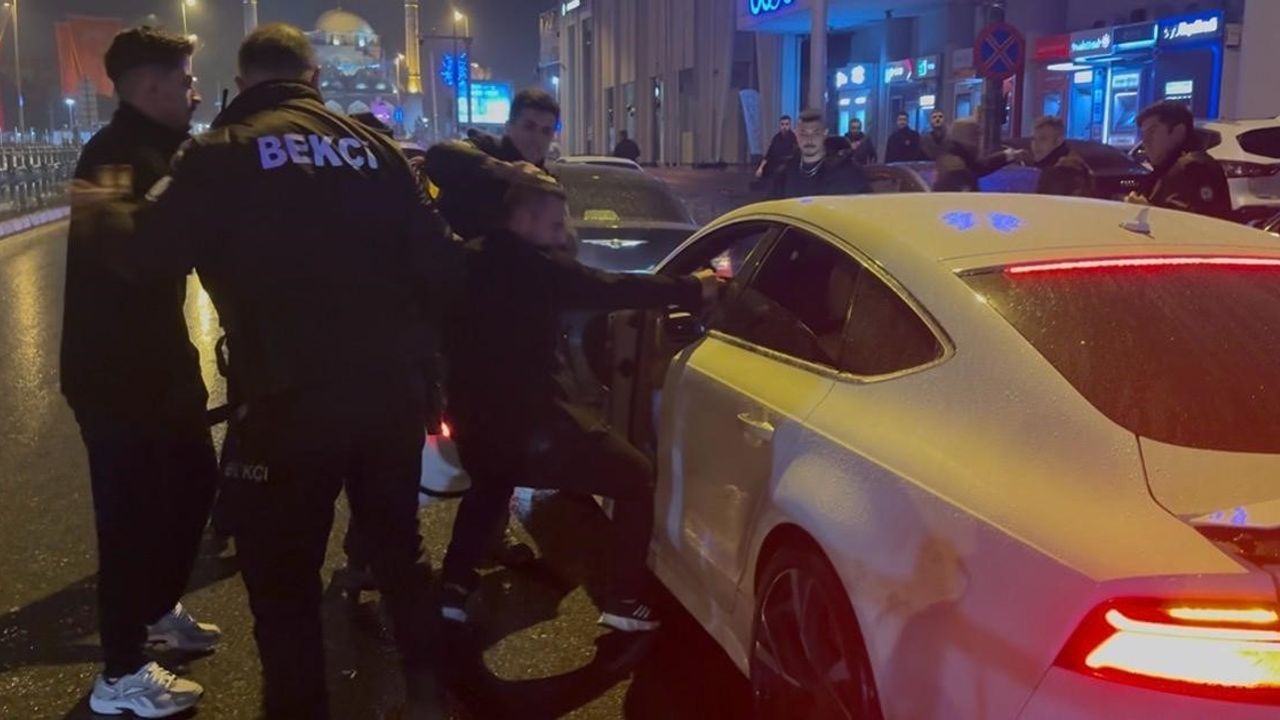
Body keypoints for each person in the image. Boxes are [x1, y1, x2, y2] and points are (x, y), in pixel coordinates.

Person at [89, 24, 456, 718]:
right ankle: (429, 698)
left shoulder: (218, 151)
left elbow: (141, 255)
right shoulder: (376, 147)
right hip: (389, 397)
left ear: (242, 83)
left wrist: (106, 192)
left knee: (284, 586)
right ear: (314, 78)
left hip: (286, 407)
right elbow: (442, 262)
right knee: (400, 556)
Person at [437, 171, 720, 632]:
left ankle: (452, 590)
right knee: (636, 476)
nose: (561, 234)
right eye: (554, 225)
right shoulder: (538, 269)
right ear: (524, 219)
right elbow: (613, 287)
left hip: (472, 421)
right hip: (534, 427)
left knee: (489, 485)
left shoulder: (464, 259)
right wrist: (693, 287)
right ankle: (624, 600)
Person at [62, 27, 219, 718]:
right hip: (112, 370)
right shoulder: (109, 157)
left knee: (194, 485)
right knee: (128, 518)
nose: (194, 92)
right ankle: (120, 672)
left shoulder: (164, 149)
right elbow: (125, 251)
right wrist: (184, 186)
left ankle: (155, 611)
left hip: (162, 360)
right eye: (185, 80)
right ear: (149, 86)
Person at [426, 87, 560, 240]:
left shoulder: (547, 181)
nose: (537, 137)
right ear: (509, 127)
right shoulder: (486, 147)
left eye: (546, 131)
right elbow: (438, 155)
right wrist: (505, 171)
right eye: (529, 126)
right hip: (457, 251)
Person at [1126, 100, 1232, 220]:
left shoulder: (1192, 167)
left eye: (1152, 131)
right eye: (1143, 135)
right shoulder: (1168, 167)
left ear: (1178, 132)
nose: (1145, 141)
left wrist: (1147, 211)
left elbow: (1194, 224)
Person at [769, 108, 871, 200]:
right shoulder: (784, 174)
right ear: (796, 134)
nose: (809, 139)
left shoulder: (847, 171)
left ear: (825, 133)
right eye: (803, 133)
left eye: (815, 133)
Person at [932, 118, 1020, 192]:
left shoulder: (957, 156)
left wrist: (1010, 155)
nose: (979, 140)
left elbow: (979, 166)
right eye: (977, 135)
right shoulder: (956, 168)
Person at [1029, 115, 1095, 197]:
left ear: (1058, 141)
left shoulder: (1068, 170)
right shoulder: (1037, 165)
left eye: (1043, 139)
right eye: (1033, 139)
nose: (1036, 145)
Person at [755, 114, 798, 180]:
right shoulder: (776, 138)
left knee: (780, 170)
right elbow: (769, 154)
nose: (784, 127)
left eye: (786, 124)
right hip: (775, 161)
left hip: (787, 163)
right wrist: (760, 168)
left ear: (790, 125)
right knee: (761, 165)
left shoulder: (793, 138)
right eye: (782, 124)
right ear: (780, 125)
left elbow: (796, 155)